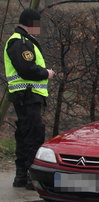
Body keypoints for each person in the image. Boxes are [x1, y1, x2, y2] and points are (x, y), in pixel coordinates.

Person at [3, 8, 55, 190]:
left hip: (25, 95)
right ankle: (32, 179)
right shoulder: (21, 42)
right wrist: (46, 73)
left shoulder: (20, 41)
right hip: (28, 94)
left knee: (25, 134)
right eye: (37, 23)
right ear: (30, 23)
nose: (39, 27)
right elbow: (27, 69)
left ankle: (21, 177)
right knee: (33, 136)